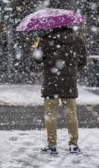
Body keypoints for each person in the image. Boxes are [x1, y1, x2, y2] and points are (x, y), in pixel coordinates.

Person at [35, 26, 87, 154]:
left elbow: (37, 59)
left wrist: (39, 45)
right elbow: (83, 61)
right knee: (71, 113)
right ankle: (73, 145)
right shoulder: (78, 40)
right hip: (69, 82)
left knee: (50, 113)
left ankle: (52, 145)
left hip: (50, 82)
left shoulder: (46, 39)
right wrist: (72, 70)